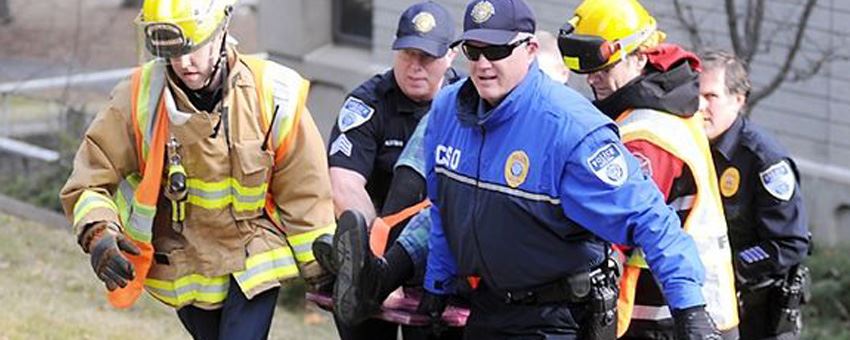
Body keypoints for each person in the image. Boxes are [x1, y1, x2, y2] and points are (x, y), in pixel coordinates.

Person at [420, 0, 720, 338]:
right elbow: (442, 207)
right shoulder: (448, 109)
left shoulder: (571, 128)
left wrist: (690, 310)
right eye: (473, 51)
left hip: (557, 318)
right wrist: (437, 282)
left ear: (530, 49)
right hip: (489, 307)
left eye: (497, 50)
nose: (483, 64)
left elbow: (652, 219)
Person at [58, 0, 336, 338]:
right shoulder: (137, 99)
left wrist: (322, 269)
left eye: (194, 47)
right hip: (184, 265)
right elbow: (90, 180)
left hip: (254, 257)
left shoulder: (273, 94)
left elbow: (305, 192)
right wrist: (99, 233)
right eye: (172, 51)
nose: (183, 62)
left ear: (222, 30)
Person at [558, 1, 742, 338]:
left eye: (604, 66)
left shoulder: (645, 136)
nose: (592, 78)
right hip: (688, 310)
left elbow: (614, 229)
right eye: (586, 68)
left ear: (641, 56)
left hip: (670, 317)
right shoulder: (666, 103)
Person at [322, 1, 459, 339]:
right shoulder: (368, 103)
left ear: (452, 56)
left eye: (427, 57)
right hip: (369, 254)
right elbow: (344, 185)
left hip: (437, 263)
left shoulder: (467, 103)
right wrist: (376, 257)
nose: (415, 67)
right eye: (407, 54)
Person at [699, 49, 810, 340]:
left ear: (738, 100)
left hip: (759, 314)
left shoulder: (764, 161)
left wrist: (729, 265)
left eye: (711, 96)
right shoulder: (691, 146)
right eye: (695, 94)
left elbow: (789, 242)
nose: (700, 105)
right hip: (711, 307)